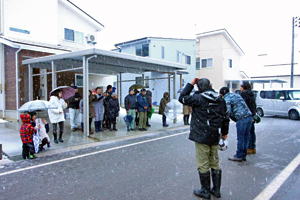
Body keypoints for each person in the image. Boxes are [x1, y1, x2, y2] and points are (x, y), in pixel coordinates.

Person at [179, 78, 229, 199]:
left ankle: (205, 191)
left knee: (203, 163)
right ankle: (216, 190)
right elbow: (225, 116)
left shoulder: (198, 98)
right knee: (214, 161)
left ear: (199, 87)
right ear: (211, 85)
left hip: (202, 135)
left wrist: (190, 84)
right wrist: (224, 132)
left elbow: (182, 98)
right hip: (214, 134)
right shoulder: (220, 99)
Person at [219, 86, 253, 162]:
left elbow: (228, 112)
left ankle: (239, 155)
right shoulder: (236, 95)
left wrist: (233, 119)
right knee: (246, 137)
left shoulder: (227, 98)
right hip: (249, 116)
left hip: (241, 118)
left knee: (240, 137)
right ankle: (244, 154)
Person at [240, 82, 257, 155]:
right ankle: (252, 147)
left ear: (244, 87)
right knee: (252, 131)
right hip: (252, 114)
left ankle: (249, 148)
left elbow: (243, 105)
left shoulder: (244, 95)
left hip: (246, 115)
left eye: (241, 86)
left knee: (246, 133)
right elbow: (253, 105)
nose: (240, 88)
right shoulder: (252, 94)